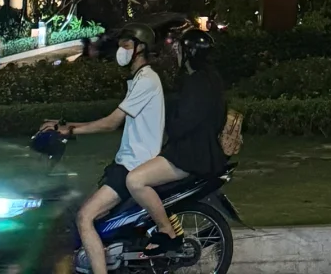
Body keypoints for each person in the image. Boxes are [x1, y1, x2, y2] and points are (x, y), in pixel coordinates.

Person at [41, 24, 163, 274]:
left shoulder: (147, 80)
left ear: (141, 49)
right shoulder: (139, 79)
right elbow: (113, 119)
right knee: (94, 216)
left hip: (133, 165)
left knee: (84, 217)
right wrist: (63, 125)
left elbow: (111, 123)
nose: (121, 50)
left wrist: (71, 131)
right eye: (121, 45)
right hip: (126, 162)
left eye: (127, 45)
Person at [125, 27, 227, 256]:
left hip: (190, 155)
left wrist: (167, 121)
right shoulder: (210, 79)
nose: (176, 53)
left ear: (189, 52)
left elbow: (182, 122)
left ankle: (166, 231)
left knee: (135, 181)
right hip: (197, 150)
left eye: (180, 49)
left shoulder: (197, 83)